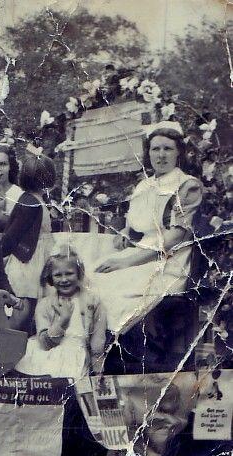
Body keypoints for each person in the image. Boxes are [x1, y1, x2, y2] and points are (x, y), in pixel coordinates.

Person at [91, 122, 203, 333]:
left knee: (112, 289)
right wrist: (124, 235)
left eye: (168, 148)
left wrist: (124, 262)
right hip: (139, 255)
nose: (161, 155)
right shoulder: (144, 185)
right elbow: (134, 227)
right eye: (155, 149)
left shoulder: (187, 185)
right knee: (91, 277)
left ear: (179, 151)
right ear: (148, 152)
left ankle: (119, 352)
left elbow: (173, 240)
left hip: (168, 263)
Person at [14, 248, 108, 378]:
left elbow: (98, 339)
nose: (64, 280)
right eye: (58, 275)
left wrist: (98, 370)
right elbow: (44, 343)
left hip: (75, 352)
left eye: (69, 273)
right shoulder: (44, 304)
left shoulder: (93, 302)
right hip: (48, 349)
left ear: (79, 274)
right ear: (50, 278)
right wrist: (62, 320)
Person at [1, 152, 57, 331]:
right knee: (24, 305)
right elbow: (13, 234)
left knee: (32, 307)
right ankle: (10, 339)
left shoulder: (38, 199)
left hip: (38, 258)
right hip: (29, 261)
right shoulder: (29, 202)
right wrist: (0, 254)